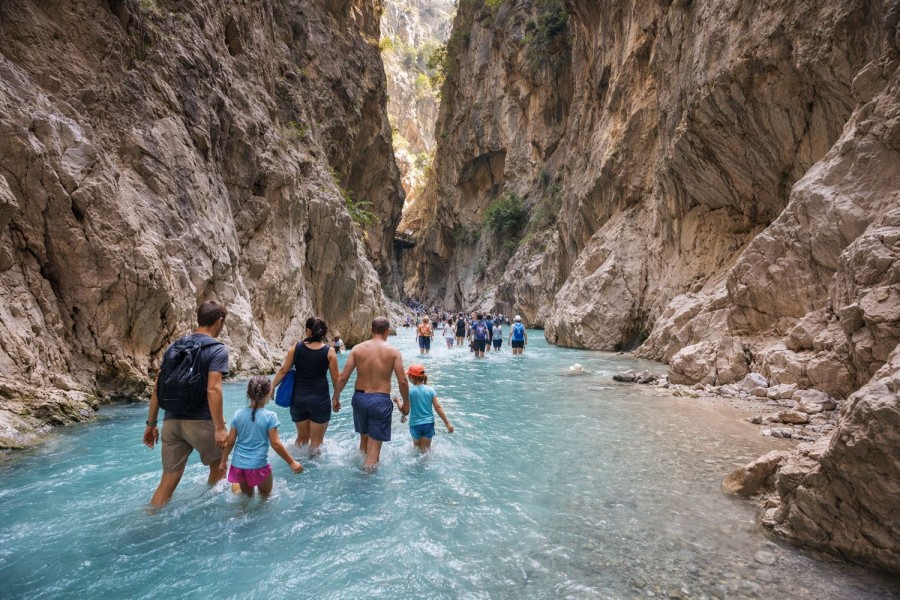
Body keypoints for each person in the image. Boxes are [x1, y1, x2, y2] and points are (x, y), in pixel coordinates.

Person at [143, 300, 230, 508]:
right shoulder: (217, 349)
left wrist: (151, 424)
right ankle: (210, 514)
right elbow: (213, 389)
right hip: (201, 422)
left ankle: (150, 518)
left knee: (168, 480)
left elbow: (157, 388)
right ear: (219, 321)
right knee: (219, 468)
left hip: (171, 422)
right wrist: (219, 428)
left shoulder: (174, 346)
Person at [332, 316, 409, 470]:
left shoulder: (357, 349)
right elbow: (402, 381)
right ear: (387, 331)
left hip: (359, 398)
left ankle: (360, 468)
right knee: (374, 452)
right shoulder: (393, 352)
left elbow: (343, 377)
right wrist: (406, 402)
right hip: (380, 400)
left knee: (364, 441)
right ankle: (364, 480)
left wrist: (335, 397)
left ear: (370, 330)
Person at [219, 376, 303, 497]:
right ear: (269, 393)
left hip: (238, 465)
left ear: (248, 393)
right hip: (258, 465)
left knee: (247, 498)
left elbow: (230, 442)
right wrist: (292, 462)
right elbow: (275, 444)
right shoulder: (270, 416)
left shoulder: (238, 414)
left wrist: (223, 461)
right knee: (265, 497)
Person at [271, 317, 340, 453]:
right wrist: (336, 398)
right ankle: (313, 466)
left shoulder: (296, 348)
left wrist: (272, 386)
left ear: (308, 330)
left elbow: (284, 370)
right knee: (316, 443)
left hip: (298, 399)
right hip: (319, 400)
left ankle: (294, 462)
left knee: (301, 439)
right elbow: (336, 379)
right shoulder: (329, 352)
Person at [393, 364, 453, 452]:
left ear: (412, 377)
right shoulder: (430, 390)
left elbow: (405, 410)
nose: (408, 378)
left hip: (415, 424)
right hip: (428, 424)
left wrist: (398, 401)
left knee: (416, 449)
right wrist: (447, 423)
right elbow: (438, 407)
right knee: (426, 450)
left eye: (409, 376)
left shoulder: (409, 391)